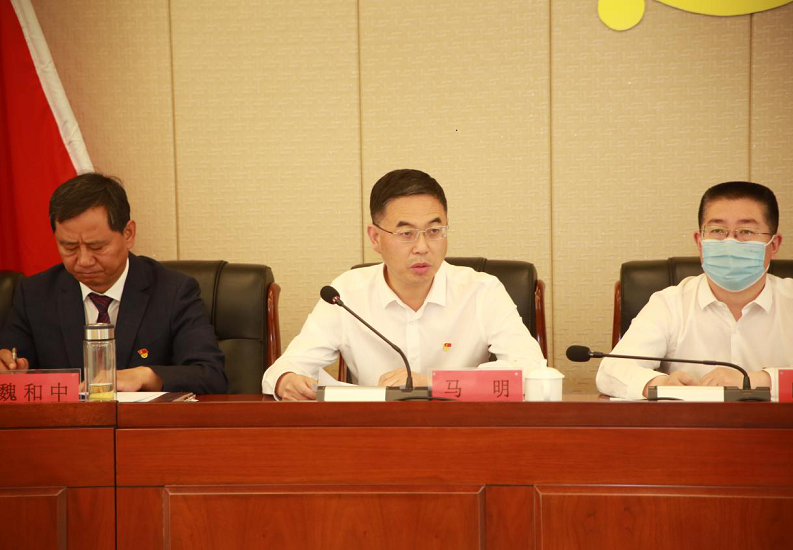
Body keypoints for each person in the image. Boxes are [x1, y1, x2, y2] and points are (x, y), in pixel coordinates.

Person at [263, 168, 545, 400]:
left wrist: (433, 383)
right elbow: (283, 369)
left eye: (434, 231)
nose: (422, 247)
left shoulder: (481, 291)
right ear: (375, 238)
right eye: (406, 233)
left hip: (460, 432)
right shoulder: (346, 293)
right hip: (377, 435)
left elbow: (532, 372)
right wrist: (286, 380)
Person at [0, 173, 227, 394]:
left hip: (141, 420)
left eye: (97, 247)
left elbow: (211, 375)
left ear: (128, 234)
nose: (84, 260)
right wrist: (9, 369)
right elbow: (13, 367)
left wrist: (146, 376)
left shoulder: (174, 291)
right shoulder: (35, 295)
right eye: (69, 247)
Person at [596, 181, 793, 400]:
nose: (730, 241)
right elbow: (611, 371)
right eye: (717, 230)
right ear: (700, 241)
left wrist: (754, 380)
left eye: (746, 231)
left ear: (773, 245)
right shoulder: (670, 304)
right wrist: (660, 384)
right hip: (691, 425)